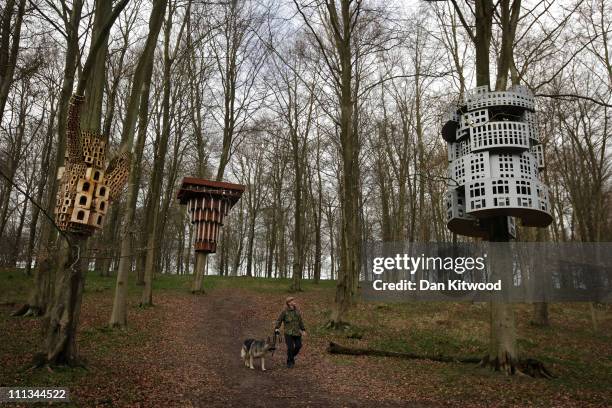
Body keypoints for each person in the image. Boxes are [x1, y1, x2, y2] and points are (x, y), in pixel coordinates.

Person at [274, 296, 306, 368]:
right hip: (288, 333)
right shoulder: (284, 312)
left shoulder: (297, 311)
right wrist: (277, 328)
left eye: (293, 300)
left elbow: (300, 321)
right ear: (288, 303)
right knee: (290, 348)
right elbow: (279, 320)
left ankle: (290, 357)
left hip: (297, 332)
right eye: (292, 301)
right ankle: (290, 362)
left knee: (298, 346)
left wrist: (303, 330)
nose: (294, 302)